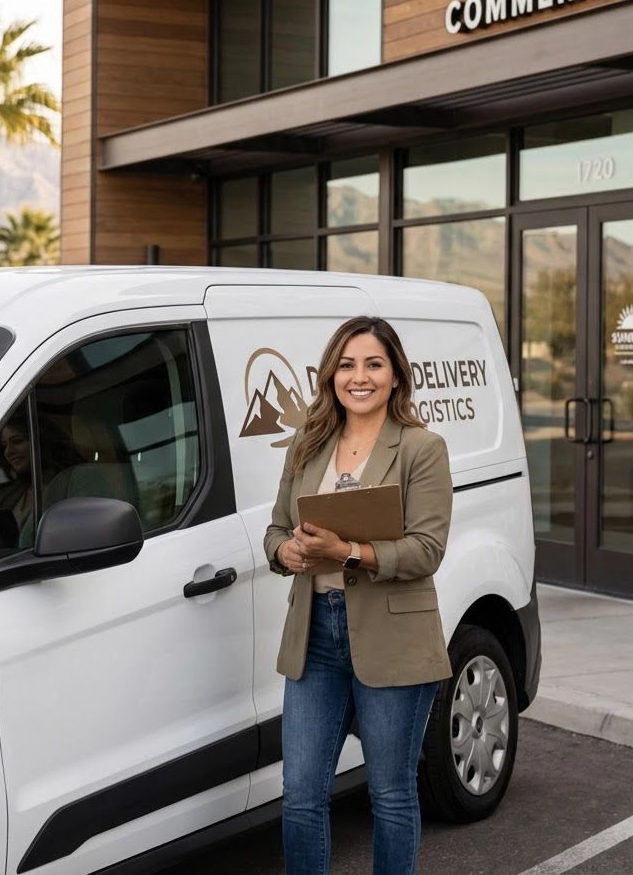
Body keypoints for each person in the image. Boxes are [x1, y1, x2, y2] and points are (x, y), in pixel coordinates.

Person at [264, 315, 453, 875]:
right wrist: (286, 554)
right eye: (347, 365)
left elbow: (427, 549)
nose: (359, 377)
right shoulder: (308, 441)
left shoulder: (422, 448)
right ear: (331, 376)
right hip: (316, 635)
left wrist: (349, 552)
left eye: (373, 364)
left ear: (395, 375)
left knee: (391, 795)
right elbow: (277, 527)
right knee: (300, 794)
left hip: (393, 638)